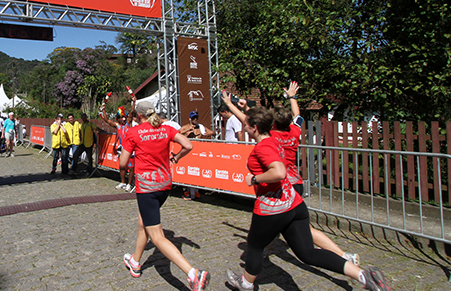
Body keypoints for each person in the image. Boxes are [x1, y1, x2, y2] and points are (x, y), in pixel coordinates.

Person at [223, 105, 391, 291]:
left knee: (254, 246)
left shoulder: (263, 146)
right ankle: (363, 276)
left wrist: (254, 179)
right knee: (308, 253)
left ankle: (246, 284)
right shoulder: (275, 137)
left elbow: (279, 172)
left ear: (254, 128)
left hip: (272, 207)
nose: (244, 127)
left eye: (246, 125)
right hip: (294, 204)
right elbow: (261, 122)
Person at [221, 85, 360, 265]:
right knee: (291, 225)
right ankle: (342, 255)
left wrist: (230, 104)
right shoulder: (294, 131)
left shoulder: (272, 136)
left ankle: (260, 249)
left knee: (280, 223)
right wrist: (292, 97)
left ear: (273, 124)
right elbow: (298, 116)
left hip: (282, 183)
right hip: (297, 182)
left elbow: (245, 120)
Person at [119, 101, 210, 291]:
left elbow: (123, 162)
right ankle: (135, 262)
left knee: (157, 236)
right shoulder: (166, 128)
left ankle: (193, 274)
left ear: (138, 115)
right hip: (164, 185)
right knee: (143, 222)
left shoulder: (134, 133)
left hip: (147, 187)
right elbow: (188, 144)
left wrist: (132, 155)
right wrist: (175, 158)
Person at [99, 95, 136, 191]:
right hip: (122, 148)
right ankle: (123, 182)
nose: (124, 119)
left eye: (124, 117)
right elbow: (107, 120)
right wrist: (103, 110)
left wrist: (134, 102)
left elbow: (131, 113)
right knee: (122, 166)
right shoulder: (117, 125)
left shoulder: (129, 123)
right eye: (122, 117)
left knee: (131, 167)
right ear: (118, 118)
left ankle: (129, 184)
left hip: (130, 148)